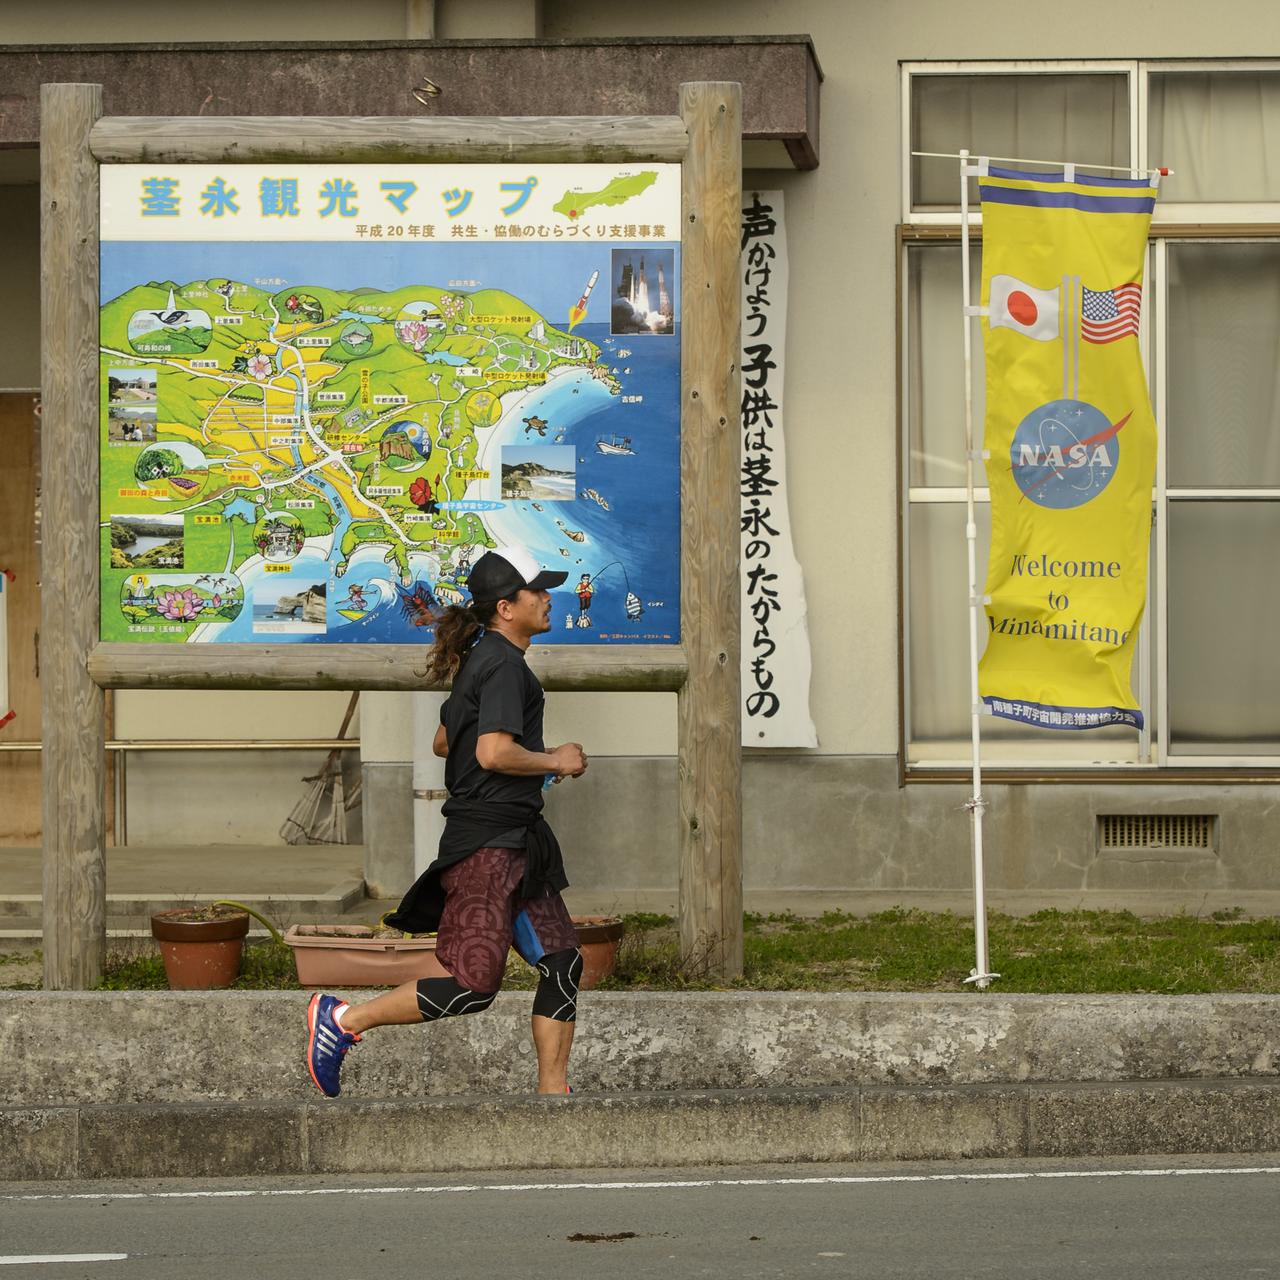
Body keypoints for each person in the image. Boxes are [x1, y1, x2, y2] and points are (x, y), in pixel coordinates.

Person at [305, 546, 589, 1099]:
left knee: (562, 961)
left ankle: (555, 1096)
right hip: (488, 848)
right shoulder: (504, 664)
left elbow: (444, 741)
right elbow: (489, 752)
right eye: (538, 592)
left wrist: (523, 762)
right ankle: (343, 1021)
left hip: (516, 844)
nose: (549, 599)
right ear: (507, 608)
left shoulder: (483, 659)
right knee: (471, 985)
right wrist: (555, 760)